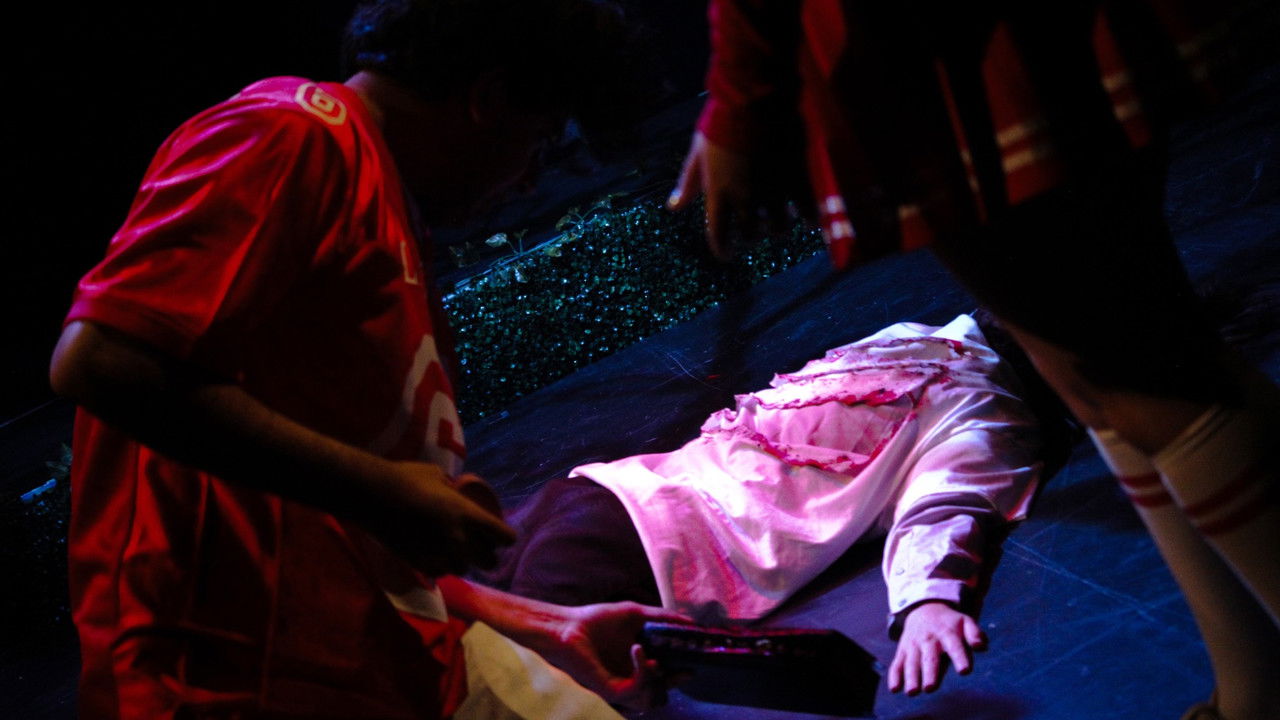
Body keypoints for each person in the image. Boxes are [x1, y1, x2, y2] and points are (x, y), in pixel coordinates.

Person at [47, 1, 680, 718]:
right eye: (538, 141)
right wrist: (385, 491)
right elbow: (100, 360)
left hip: (387, 661)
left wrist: (544, 621)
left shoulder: (378, 195)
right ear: (490, 99)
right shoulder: (290, 135)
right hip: (231, 685)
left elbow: (332, 516)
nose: (532, 179)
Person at [666, 2, 1280, 718]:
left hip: (933, 46)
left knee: (1149, 380)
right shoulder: (931, 354)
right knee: (1106, 382)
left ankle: (1256, 691)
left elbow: (953, 480)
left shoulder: (966, 391)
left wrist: (740, 103)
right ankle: (1254, 688)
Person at [480, 313, 1054, 697]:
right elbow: (945, 504)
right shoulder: (982, 409)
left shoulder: (920, 339)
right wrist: (928, 599)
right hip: (648, 546)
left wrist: (927, 600)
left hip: (601, 498)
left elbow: (941, 503)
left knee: (451, 643)